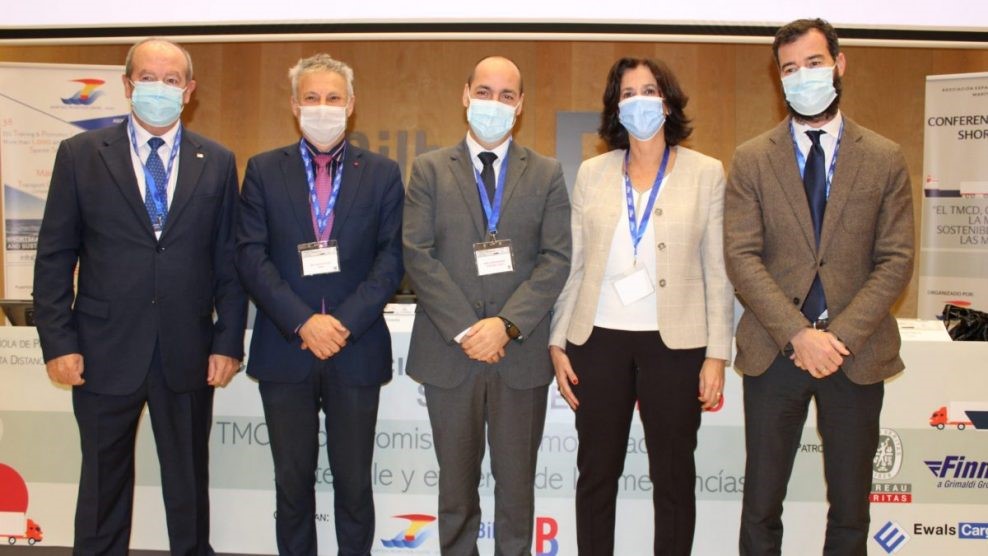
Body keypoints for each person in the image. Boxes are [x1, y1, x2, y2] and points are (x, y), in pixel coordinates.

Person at [32, 38, 246, 554]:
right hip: (102, 349)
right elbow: (54, 256)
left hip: (187, 349)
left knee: (188, 485)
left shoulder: (217, 161)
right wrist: (58, 342)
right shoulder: (81, 155)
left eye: (171, 80)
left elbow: (230, 262)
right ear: (127, 85)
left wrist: (227, 342)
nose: (159, 89)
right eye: (148, 78)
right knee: (102, 487)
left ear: (189, 91)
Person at [724, 18, 915, 555]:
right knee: (761, 505)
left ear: (838, 64)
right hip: (775, 351)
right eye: (789, 69)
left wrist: (838, 337)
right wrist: (798, 334)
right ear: (778, 78)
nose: (802, 76)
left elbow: (896, 260)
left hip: (856, 353)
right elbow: (741, 257)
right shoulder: (752, 159)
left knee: (851, 509)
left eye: (813, 63)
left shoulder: (884, 158)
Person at [549, 57, 733, 555]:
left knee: (673, 477)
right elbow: (575, 265)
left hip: (676, 346)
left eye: (649, 90)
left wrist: (717, 354)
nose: (639, 102)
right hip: (597, 341)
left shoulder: (706, 172)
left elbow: (717, 271)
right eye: (627, 93)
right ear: (616, 107)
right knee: (596, 474)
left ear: (667, 103)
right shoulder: (592, 174)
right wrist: (557, 340)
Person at [236, 53, 404, 555]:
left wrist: (343, 323)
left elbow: (392, 259)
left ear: (351, 105)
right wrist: (303, 322)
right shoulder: (264, 170)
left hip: (356, 349)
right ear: (294, 105)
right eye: (312, 97)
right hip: (286, 349)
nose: (322, 107)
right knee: (292, 485)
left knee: (354, 485)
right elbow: (250, 256)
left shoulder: (382, 173)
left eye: (333, 98)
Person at [403, 55, 571, 555]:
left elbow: (556, 259)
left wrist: (506, 325)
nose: (493, 103)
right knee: (456, 492)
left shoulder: (547, 173)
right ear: (465, 95)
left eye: (505, 95)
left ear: (519, 105)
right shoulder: (430, 170)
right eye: (484, 92)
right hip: (449, 354)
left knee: (517, 491)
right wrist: (467, 329)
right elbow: (417, 254)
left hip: (519, 356)